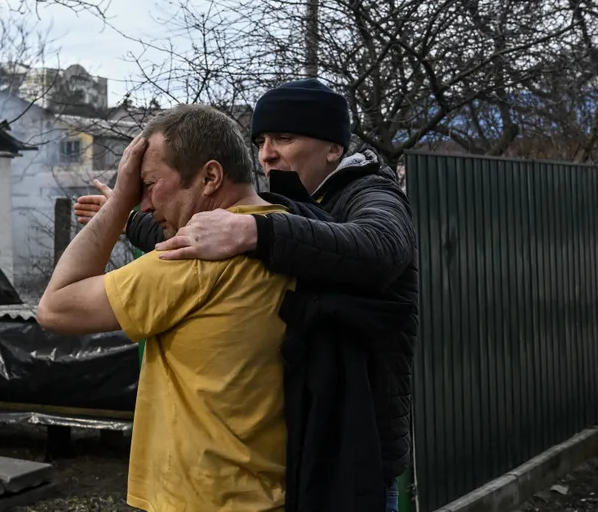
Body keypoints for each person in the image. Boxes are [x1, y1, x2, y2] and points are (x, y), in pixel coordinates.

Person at [75, 79, 419, 512]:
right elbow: (196, 237)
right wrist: (132, 219)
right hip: (312, 450)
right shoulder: (296, 205)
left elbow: (380, 248)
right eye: (260, 140)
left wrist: (254, 230)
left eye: (285, 138)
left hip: (359, 457)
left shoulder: (371, 194)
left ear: (334, 148)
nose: (267, 153)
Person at [38, 104, 294, 512]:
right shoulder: (282, 232)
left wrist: (120, 200)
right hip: (263, 492)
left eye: (150, 183)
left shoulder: (194, 259)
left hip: (203, 500)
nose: (144, 202)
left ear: (210, 177)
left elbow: (56, 306)